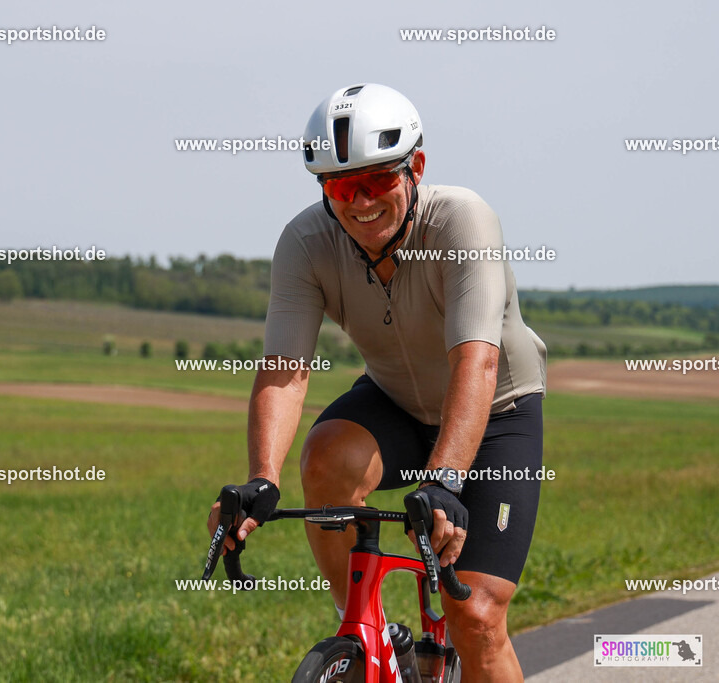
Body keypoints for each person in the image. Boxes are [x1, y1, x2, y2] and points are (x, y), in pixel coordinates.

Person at [207, 83, 547, 682]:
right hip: (396, 401)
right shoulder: (306, 243)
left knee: (477, 617)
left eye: (377, 181)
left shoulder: (462, 221)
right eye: (340, 187)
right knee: (326, 459)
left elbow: (477, 362)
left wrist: (444, 481)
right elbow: (284, 370)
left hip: (496, 412)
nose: (359, 202)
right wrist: (262, 477)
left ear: (415, 167)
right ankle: (367, 633)